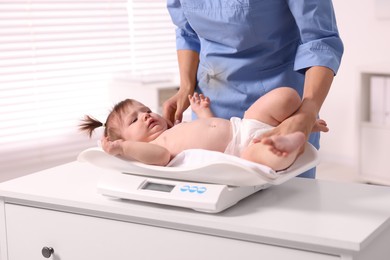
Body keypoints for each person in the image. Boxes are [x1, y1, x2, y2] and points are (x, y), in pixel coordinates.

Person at [163, 0, 344, 177]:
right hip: (211, 102)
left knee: (279, 184)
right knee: (215, 189)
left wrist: (308, 111)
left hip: (276, 110)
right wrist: (186, 86)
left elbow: (320, 41)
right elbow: (187, 33)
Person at [79, 87, 328, 171]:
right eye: (134, 121)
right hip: (242, 150)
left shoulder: (176, 128)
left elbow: (207, 127)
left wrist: (202, 113)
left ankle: (295, 123)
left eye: (145, 110)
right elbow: (160, 157)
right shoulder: (156, 148)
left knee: (288, 96)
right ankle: (291, 137)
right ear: (131, 143)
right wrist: (122, 148)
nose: (145, 116)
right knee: (271, 157)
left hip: (244, 124)